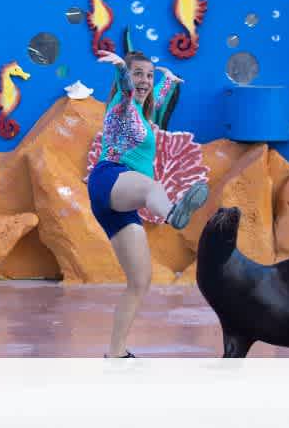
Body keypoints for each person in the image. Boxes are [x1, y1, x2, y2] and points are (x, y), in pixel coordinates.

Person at [87, 49, 209, 358]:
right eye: (138, 73)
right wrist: (119, 71)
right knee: (153, 187)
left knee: (140, 280)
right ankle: (173, 214)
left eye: (148, 75)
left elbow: (151, 93)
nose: (144, 80)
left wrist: (168, 81)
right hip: (110, 178)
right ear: (128, 76)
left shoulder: (143, 113)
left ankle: (115, 353)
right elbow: (129, 90)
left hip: (122, 202)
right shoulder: (121, 105)